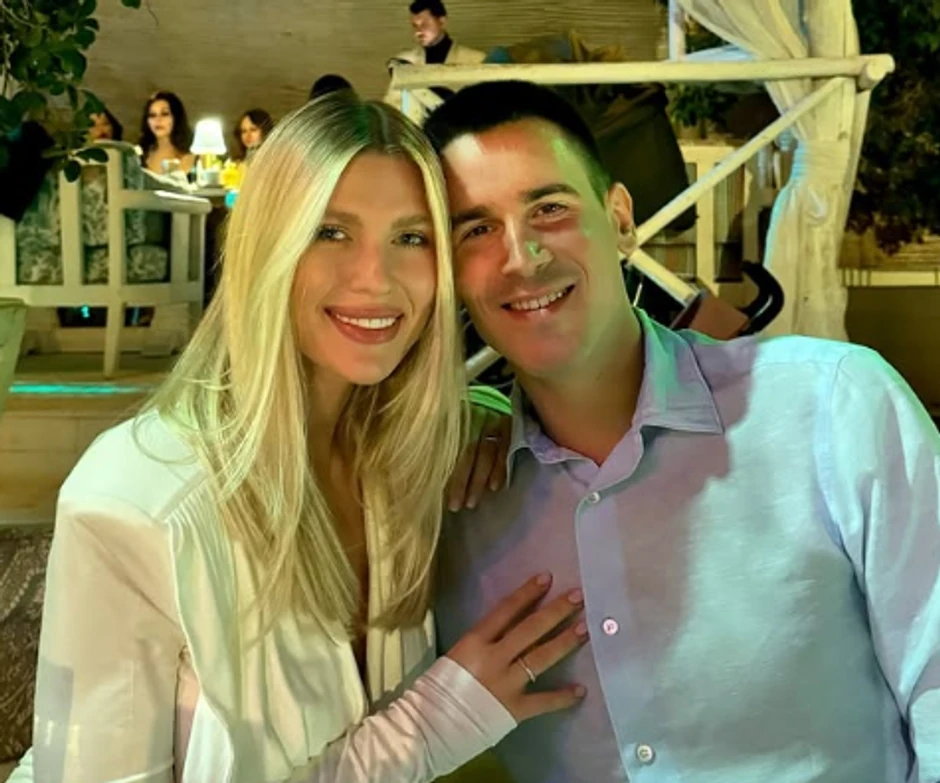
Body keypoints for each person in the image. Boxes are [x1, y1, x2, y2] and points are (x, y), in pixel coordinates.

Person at [9, 92, 587, 783]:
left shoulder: (410, 454)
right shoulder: (135, 503)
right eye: (330, 231)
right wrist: (435, 724)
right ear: (265, 247)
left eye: (412, 238)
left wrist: (493, 415)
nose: (375, 279)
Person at [426, 80, 940, 783]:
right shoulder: (450, 495)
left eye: (549, 209)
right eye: (476, 230)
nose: (521, 256)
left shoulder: (832, 405)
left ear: (620, 218)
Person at [383, 0, 484, 108]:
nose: (418, 31)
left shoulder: (476, 61)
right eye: (415, 26)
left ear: (442, 22)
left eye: (425, 25)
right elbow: (392, 106)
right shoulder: (403, 63)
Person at [138, 90, 195, 175]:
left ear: (176, 117)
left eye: (165, 114)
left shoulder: (193, 155)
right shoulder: (140, 155)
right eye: (152, 115)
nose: (158, 120)